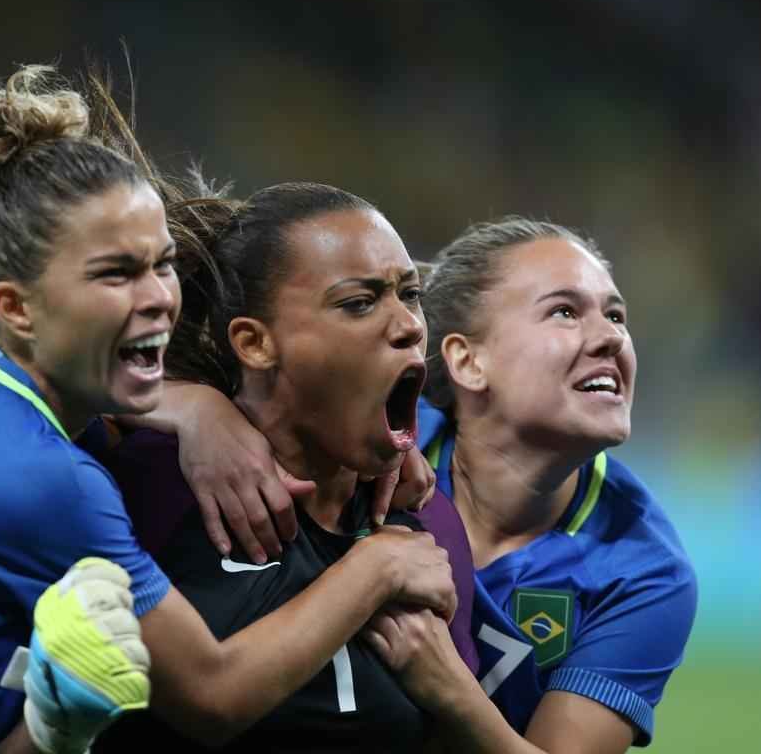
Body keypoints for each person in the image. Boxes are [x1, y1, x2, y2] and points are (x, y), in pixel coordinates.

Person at [0, 65, 456, 754]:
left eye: (161, 264)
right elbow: (215, 698)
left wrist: (189, 408)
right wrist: (378, 568)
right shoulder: (44, 482)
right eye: (115, 274)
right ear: (15, 307)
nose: (160, 296)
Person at [169, 217, 697, 752]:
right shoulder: (373, 439)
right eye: (565, 311)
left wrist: (447, 686)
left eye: (615, 315)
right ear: (467, 360)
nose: (611, 336)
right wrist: (193, 408)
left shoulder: (645, 572)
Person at [90, 176, 477, 752]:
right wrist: (184, 406)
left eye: (411, 294)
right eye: (359, 303)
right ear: (254, 343)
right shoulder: (146, 484)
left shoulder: (427, 524)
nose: (408, 326)